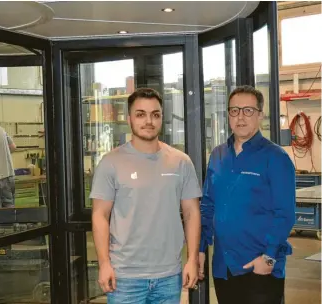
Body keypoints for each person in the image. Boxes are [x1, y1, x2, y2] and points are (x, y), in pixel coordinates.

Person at [90, 88, 202, 303]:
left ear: (162, 118)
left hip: (169, 275)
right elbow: (100, 215)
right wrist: (104, 264)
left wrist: (192, 259)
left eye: (155, 114)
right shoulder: (111, 162)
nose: (149, 121)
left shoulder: (181, 161)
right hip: (124, 277)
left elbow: (192, 213)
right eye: (141, 114)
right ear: (129, 118)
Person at [199, 85, 295, 304]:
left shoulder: (276, 158)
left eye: (248, 110)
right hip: (224, 267)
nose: (240, 117)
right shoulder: (218, 155)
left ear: (260, 114)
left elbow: (285, 214)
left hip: (259, 268)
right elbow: (208, 205)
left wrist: (269, 257)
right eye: (234, 110)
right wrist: (201, 248)